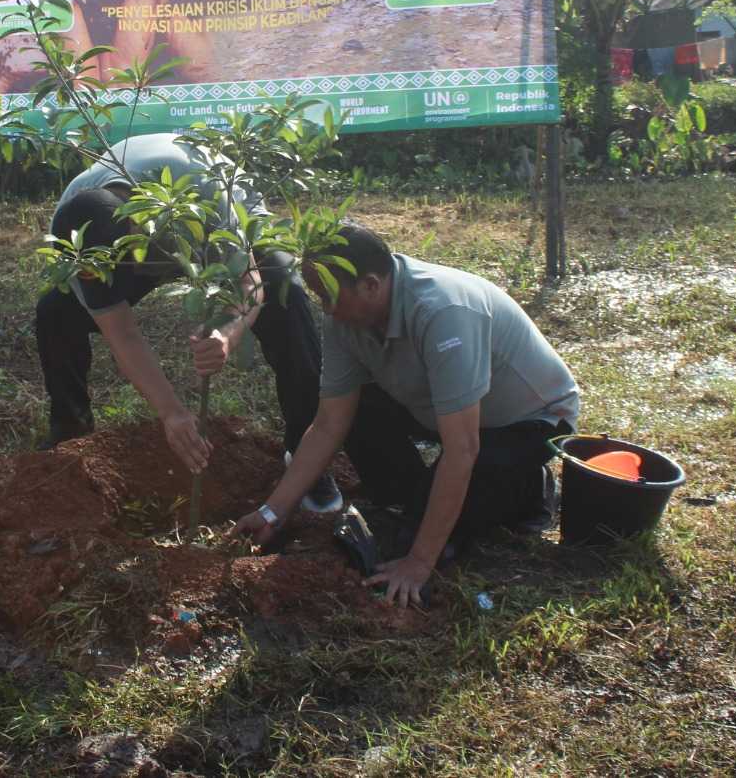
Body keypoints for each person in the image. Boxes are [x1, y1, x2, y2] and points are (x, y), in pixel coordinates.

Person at [234, 224, 580, 609]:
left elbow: (462, 449)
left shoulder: (443, 312)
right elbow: (330, 422)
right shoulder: (343, 322)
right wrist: (273, 511)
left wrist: (419, 562)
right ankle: (415, 499)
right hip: (440, 407)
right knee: (368, 429)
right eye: (319, 295)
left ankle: (530, 487)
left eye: (330, 296)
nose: (325, 308)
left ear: (370, 285)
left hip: (528, 421)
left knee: (450, 506)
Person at [35, 132, 343, 513]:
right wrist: (172, 412)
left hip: (211, 223)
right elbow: (123, 334)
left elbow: (250, 282)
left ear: (132, 232)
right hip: (137, 241)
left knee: (286, 292)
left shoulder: (207, 190)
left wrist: (229, 332)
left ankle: (304, 452)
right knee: (56, 311)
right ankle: (72, 431)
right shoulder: (74, 235)